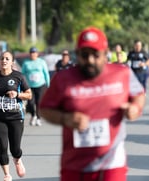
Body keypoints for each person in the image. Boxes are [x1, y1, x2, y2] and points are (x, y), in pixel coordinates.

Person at [39, 27, 145, 181]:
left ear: (105, 53)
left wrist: (135, 108)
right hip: (74, 165)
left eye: (96, 55)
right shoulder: (63, 78)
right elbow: (45, 109)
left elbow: (138, 94)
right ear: (77, 53)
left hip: (112, 163)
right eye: (84, 55)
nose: (90, 60)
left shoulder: (122, 73)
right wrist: (66, 119)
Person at [0, 51, 32, 181]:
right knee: (2, 146)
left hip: (16, 116)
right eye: (2, 59)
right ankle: (7, 174)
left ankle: (17, 159)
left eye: (7, 59)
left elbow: (29, 94)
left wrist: (17, 95)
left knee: (15, 148)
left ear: (12, 62)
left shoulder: (19, 77)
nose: (4, 61)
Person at [21, 47, 50, 126]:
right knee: (30, 102)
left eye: (34, 53)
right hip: (30, 86)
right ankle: (33, 115)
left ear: (37, 54)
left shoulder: (41, 62)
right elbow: (22, 74)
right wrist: (22, 85)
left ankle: (38, 118)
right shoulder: (26, 63)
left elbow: (46, 73)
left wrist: (48, 84)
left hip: (40, 85)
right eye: (31, 53)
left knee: (39, 102)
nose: (33, 54)